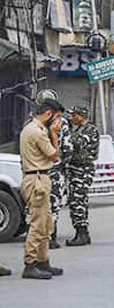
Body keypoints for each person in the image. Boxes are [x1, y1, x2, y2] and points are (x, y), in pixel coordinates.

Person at [19, 98, 65, 279]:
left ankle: (43, 261)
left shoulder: (32, 128)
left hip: (39, 177)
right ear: (48, 114)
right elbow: (54, 156)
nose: (57, 121)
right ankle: (30, 264)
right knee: (38, 224)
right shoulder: (37, 132)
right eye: (56, 117)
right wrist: (54, 134)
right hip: (37, 179)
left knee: (46, 223)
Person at [66, 107, 100, 247]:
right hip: (76, 169)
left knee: (78, 201)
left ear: (81, 116)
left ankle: (82, 234)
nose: (72, 118)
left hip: (83, 170)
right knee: (75, 201)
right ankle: (81, 233)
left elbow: (77, 144)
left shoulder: (90, 130)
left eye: (74, 115)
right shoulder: (79, 129)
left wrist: (65, 133)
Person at [46, 106, 73, 250]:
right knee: (54, 204)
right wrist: (61, 164)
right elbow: (68, 150)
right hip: (55, 170)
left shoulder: (32, 123)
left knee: (37, 206)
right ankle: (51, 238)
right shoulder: (61, 123)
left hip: (37, 172)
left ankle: (39, 239)